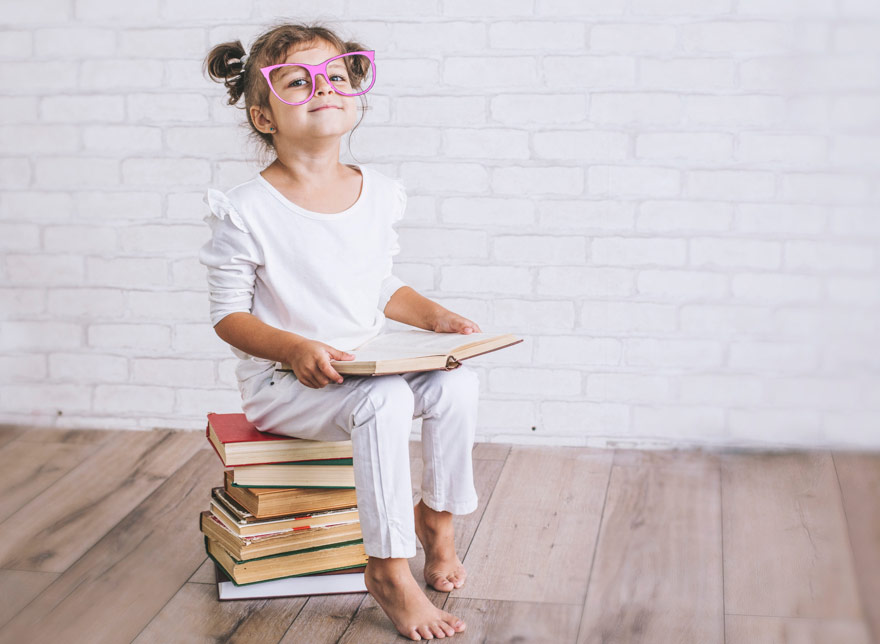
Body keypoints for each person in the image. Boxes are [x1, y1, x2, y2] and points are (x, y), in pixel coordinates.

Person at [200, 22, 482, 641]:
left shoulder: (377, 191)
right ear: (264, 117)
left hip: (366, 359)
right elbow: (229, 315)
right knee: (384, 400)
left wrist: (433, 315)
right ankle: (386, 568)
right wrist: (296, 348)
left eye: (335, 76)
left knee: (457, 386)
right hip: (287, 381)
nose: (323, 87)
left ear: (355, 96)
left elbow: (376, 286)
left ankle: (437, 521)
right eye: (298, 81)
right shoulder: (247, 208)